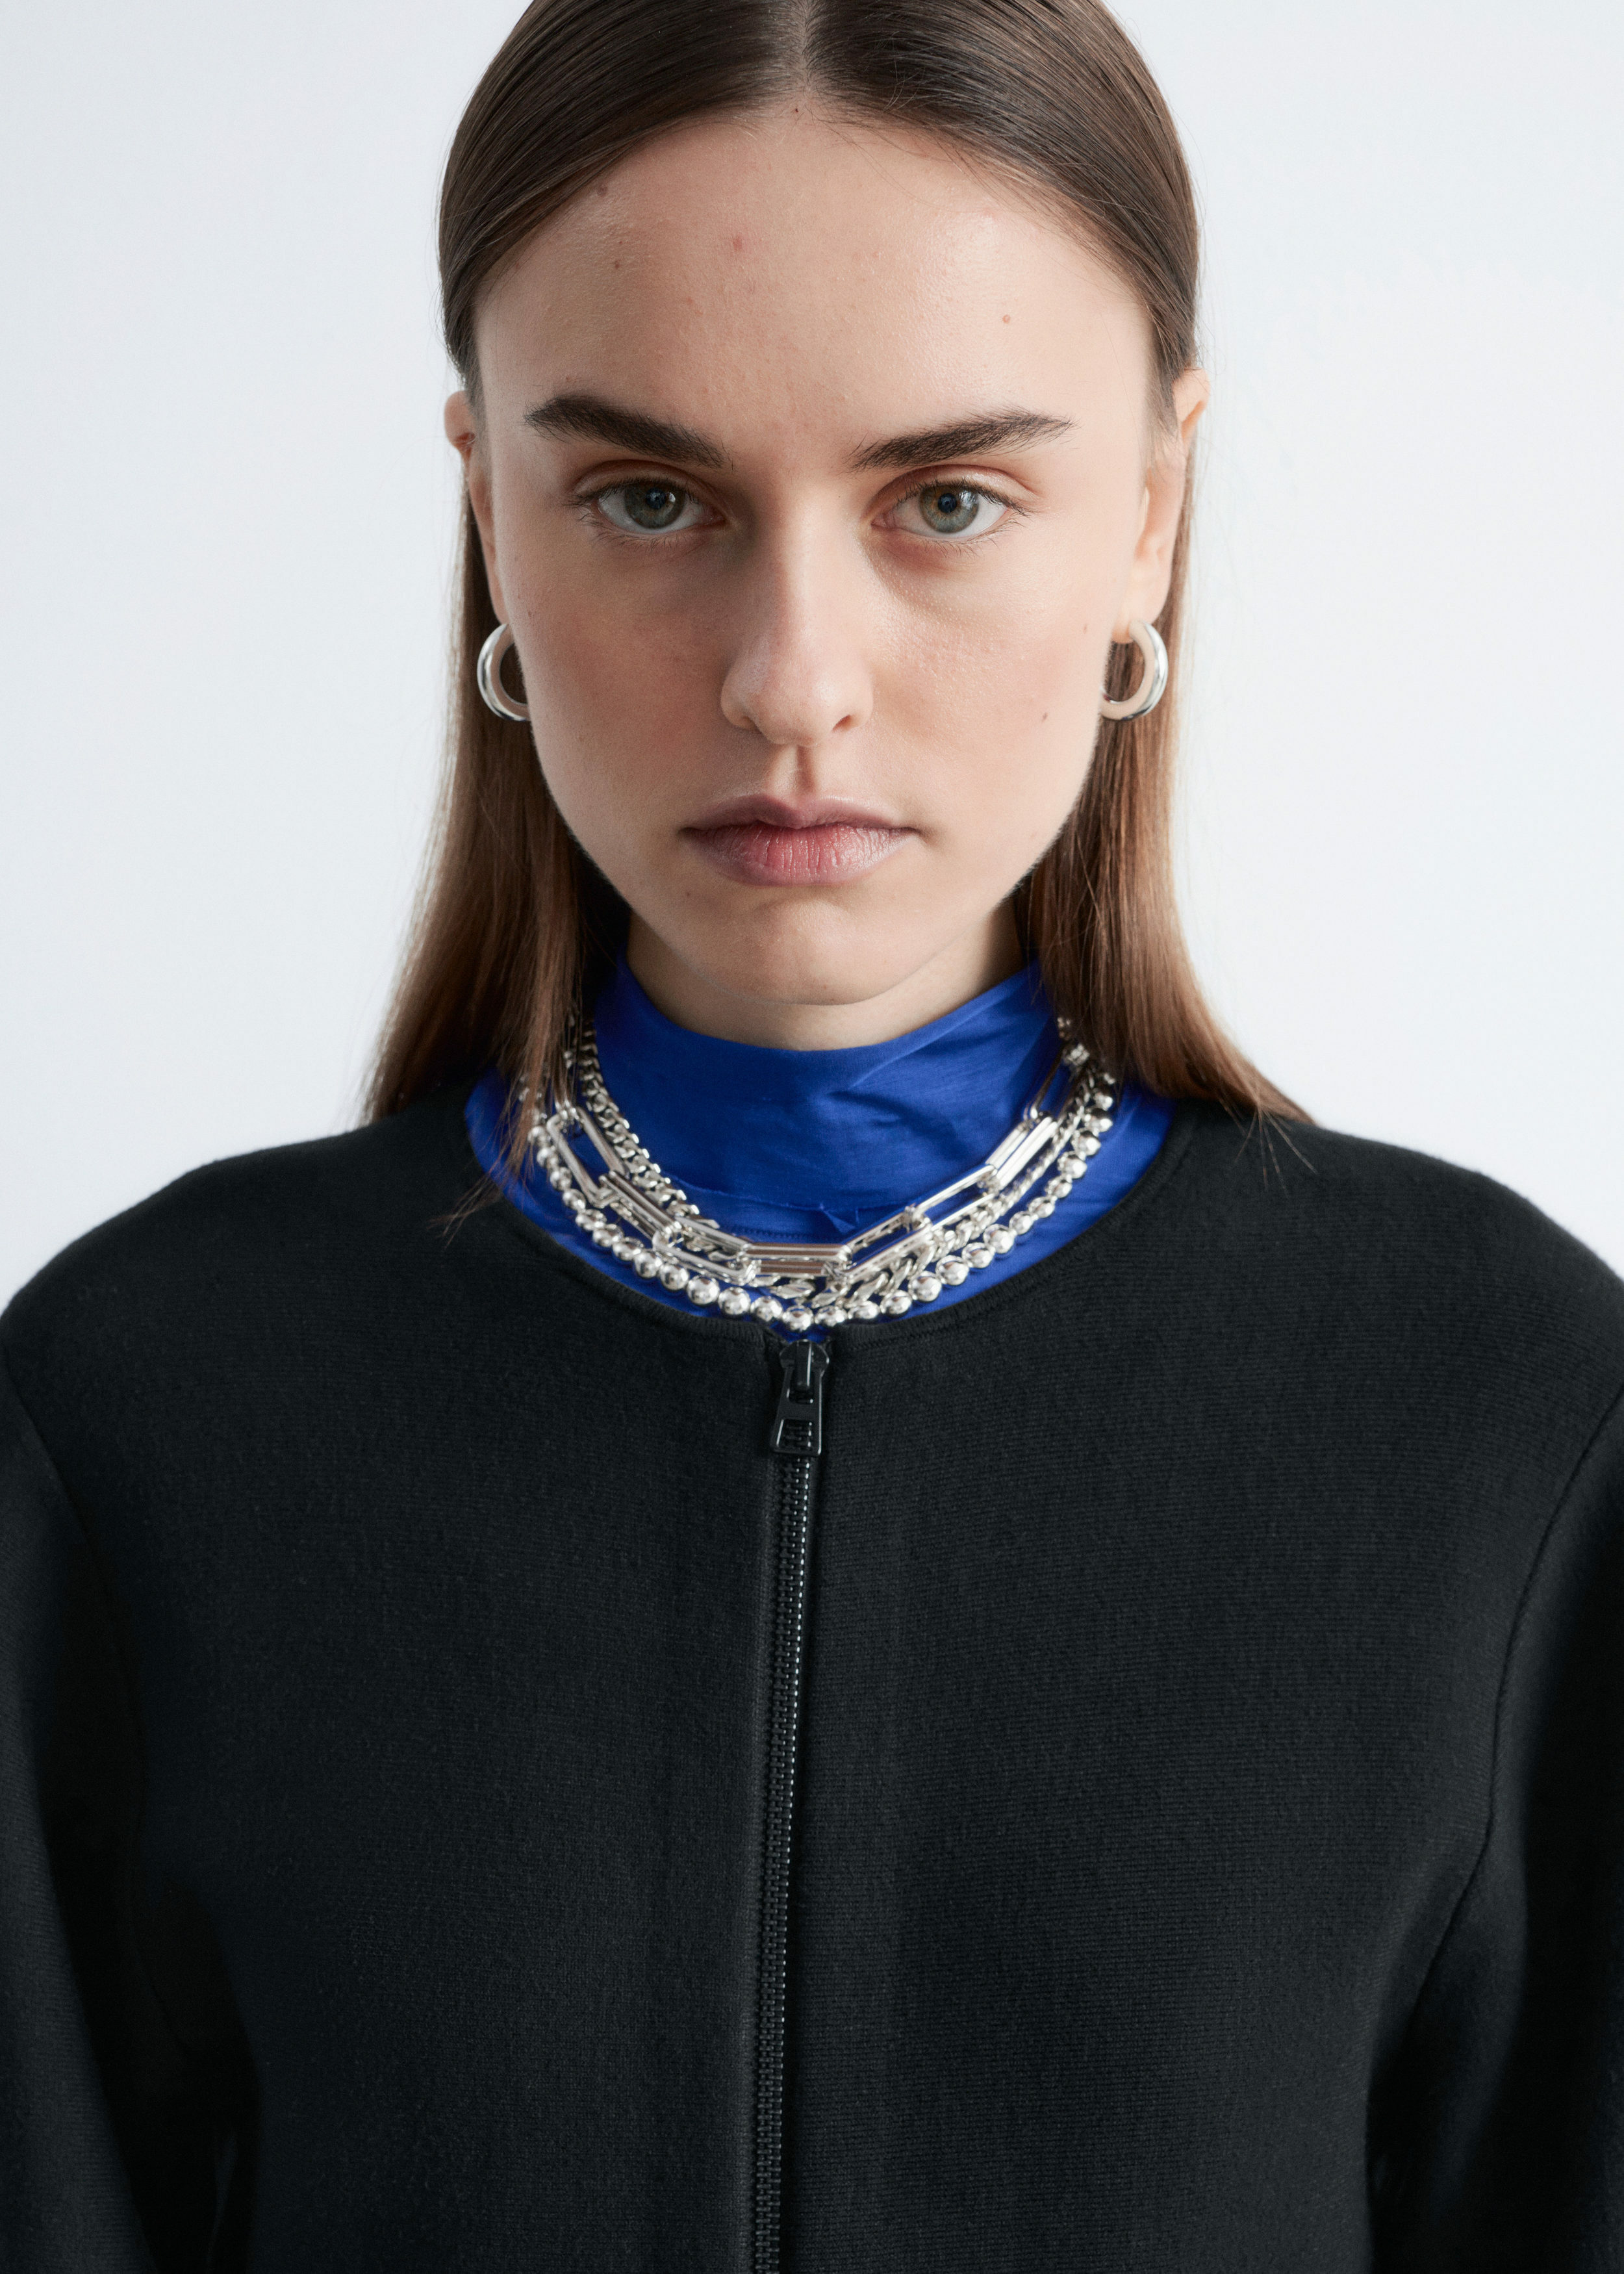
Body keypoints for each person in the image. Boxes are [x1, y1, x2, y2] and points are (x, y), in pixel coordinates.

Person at [3, 0, 1620, 2266]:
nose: (791, 679)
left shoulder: (1509, 1416)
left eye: (946, 500)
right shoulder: (128, 1416)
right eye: (646, 497)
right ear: (486, 508)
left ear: (1149, 512)